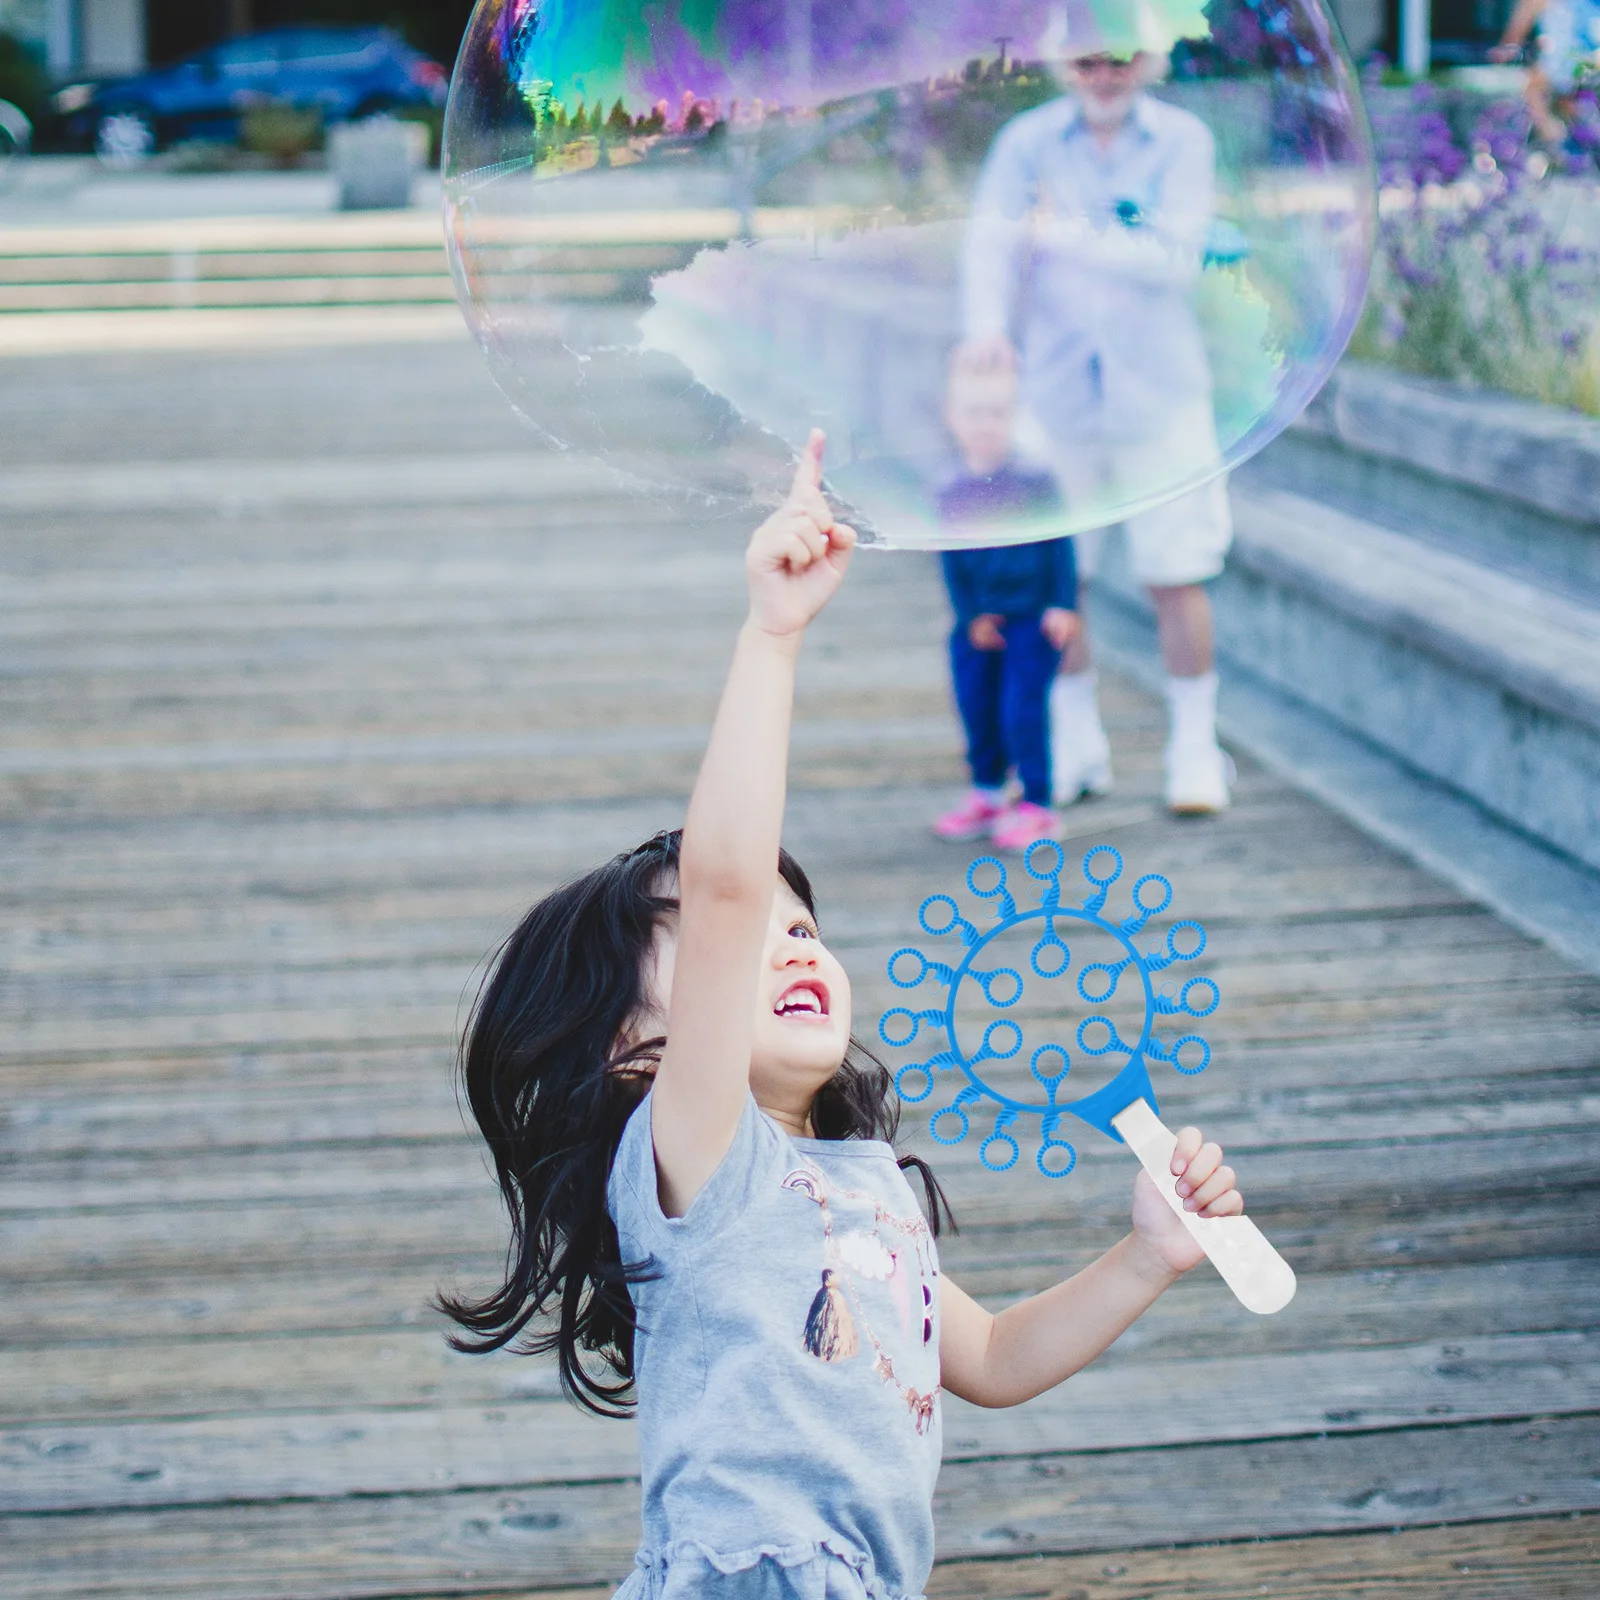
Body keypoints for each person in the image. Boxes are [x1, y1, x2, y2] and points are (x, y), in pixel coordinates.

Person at [440, 431, 1251, 1600]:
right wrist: (773, 636)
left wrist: (1145, 1256)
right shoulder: (701, 1164)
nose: (787, 939)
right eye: (735, 939)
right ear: (630, 1045)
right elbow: (723, 882)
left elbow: (992, 1357)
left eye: (804, 927)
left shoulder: (863, 1186)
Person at [960, 3, 1236, 815]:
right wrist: (985, 331)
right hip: (1054, 392)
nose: (1103, 74)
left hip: (1161, 393)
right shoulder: (1027, 144)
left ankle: (1195, 748)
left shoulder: (1183, 141)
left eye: (1118, 58)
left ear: (1147, 60)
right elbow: (990, 242)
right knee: (1055, 582)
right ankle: (1075, 745)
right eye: (1086, 61)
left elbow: (1176, 262)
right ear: (1061, 64)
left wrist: (1062, 234)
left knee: (1176, 573)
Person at [933, 359, 1081, 852]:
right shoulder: (952, 489)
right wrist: (971, 615)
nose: (985, 423)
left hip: (1030, 619)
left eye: (997, 412)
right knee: (977, 704)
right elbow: (952, 560)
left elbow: (1060, 546)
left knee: (1022, 708)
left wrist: (1062, 604)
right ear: (953, 417)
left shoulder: (1034, 481)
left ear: (1015, 416)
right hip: (978, 622)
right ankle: (988, 792)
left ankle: (1038, 802)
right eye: (974, 412)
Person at [1493, 0, 1600, 145]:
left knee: (1536, 89)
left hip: (1571, 64)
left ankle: (1558, 145)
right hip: (1577, 65)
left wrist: (1509, 45)